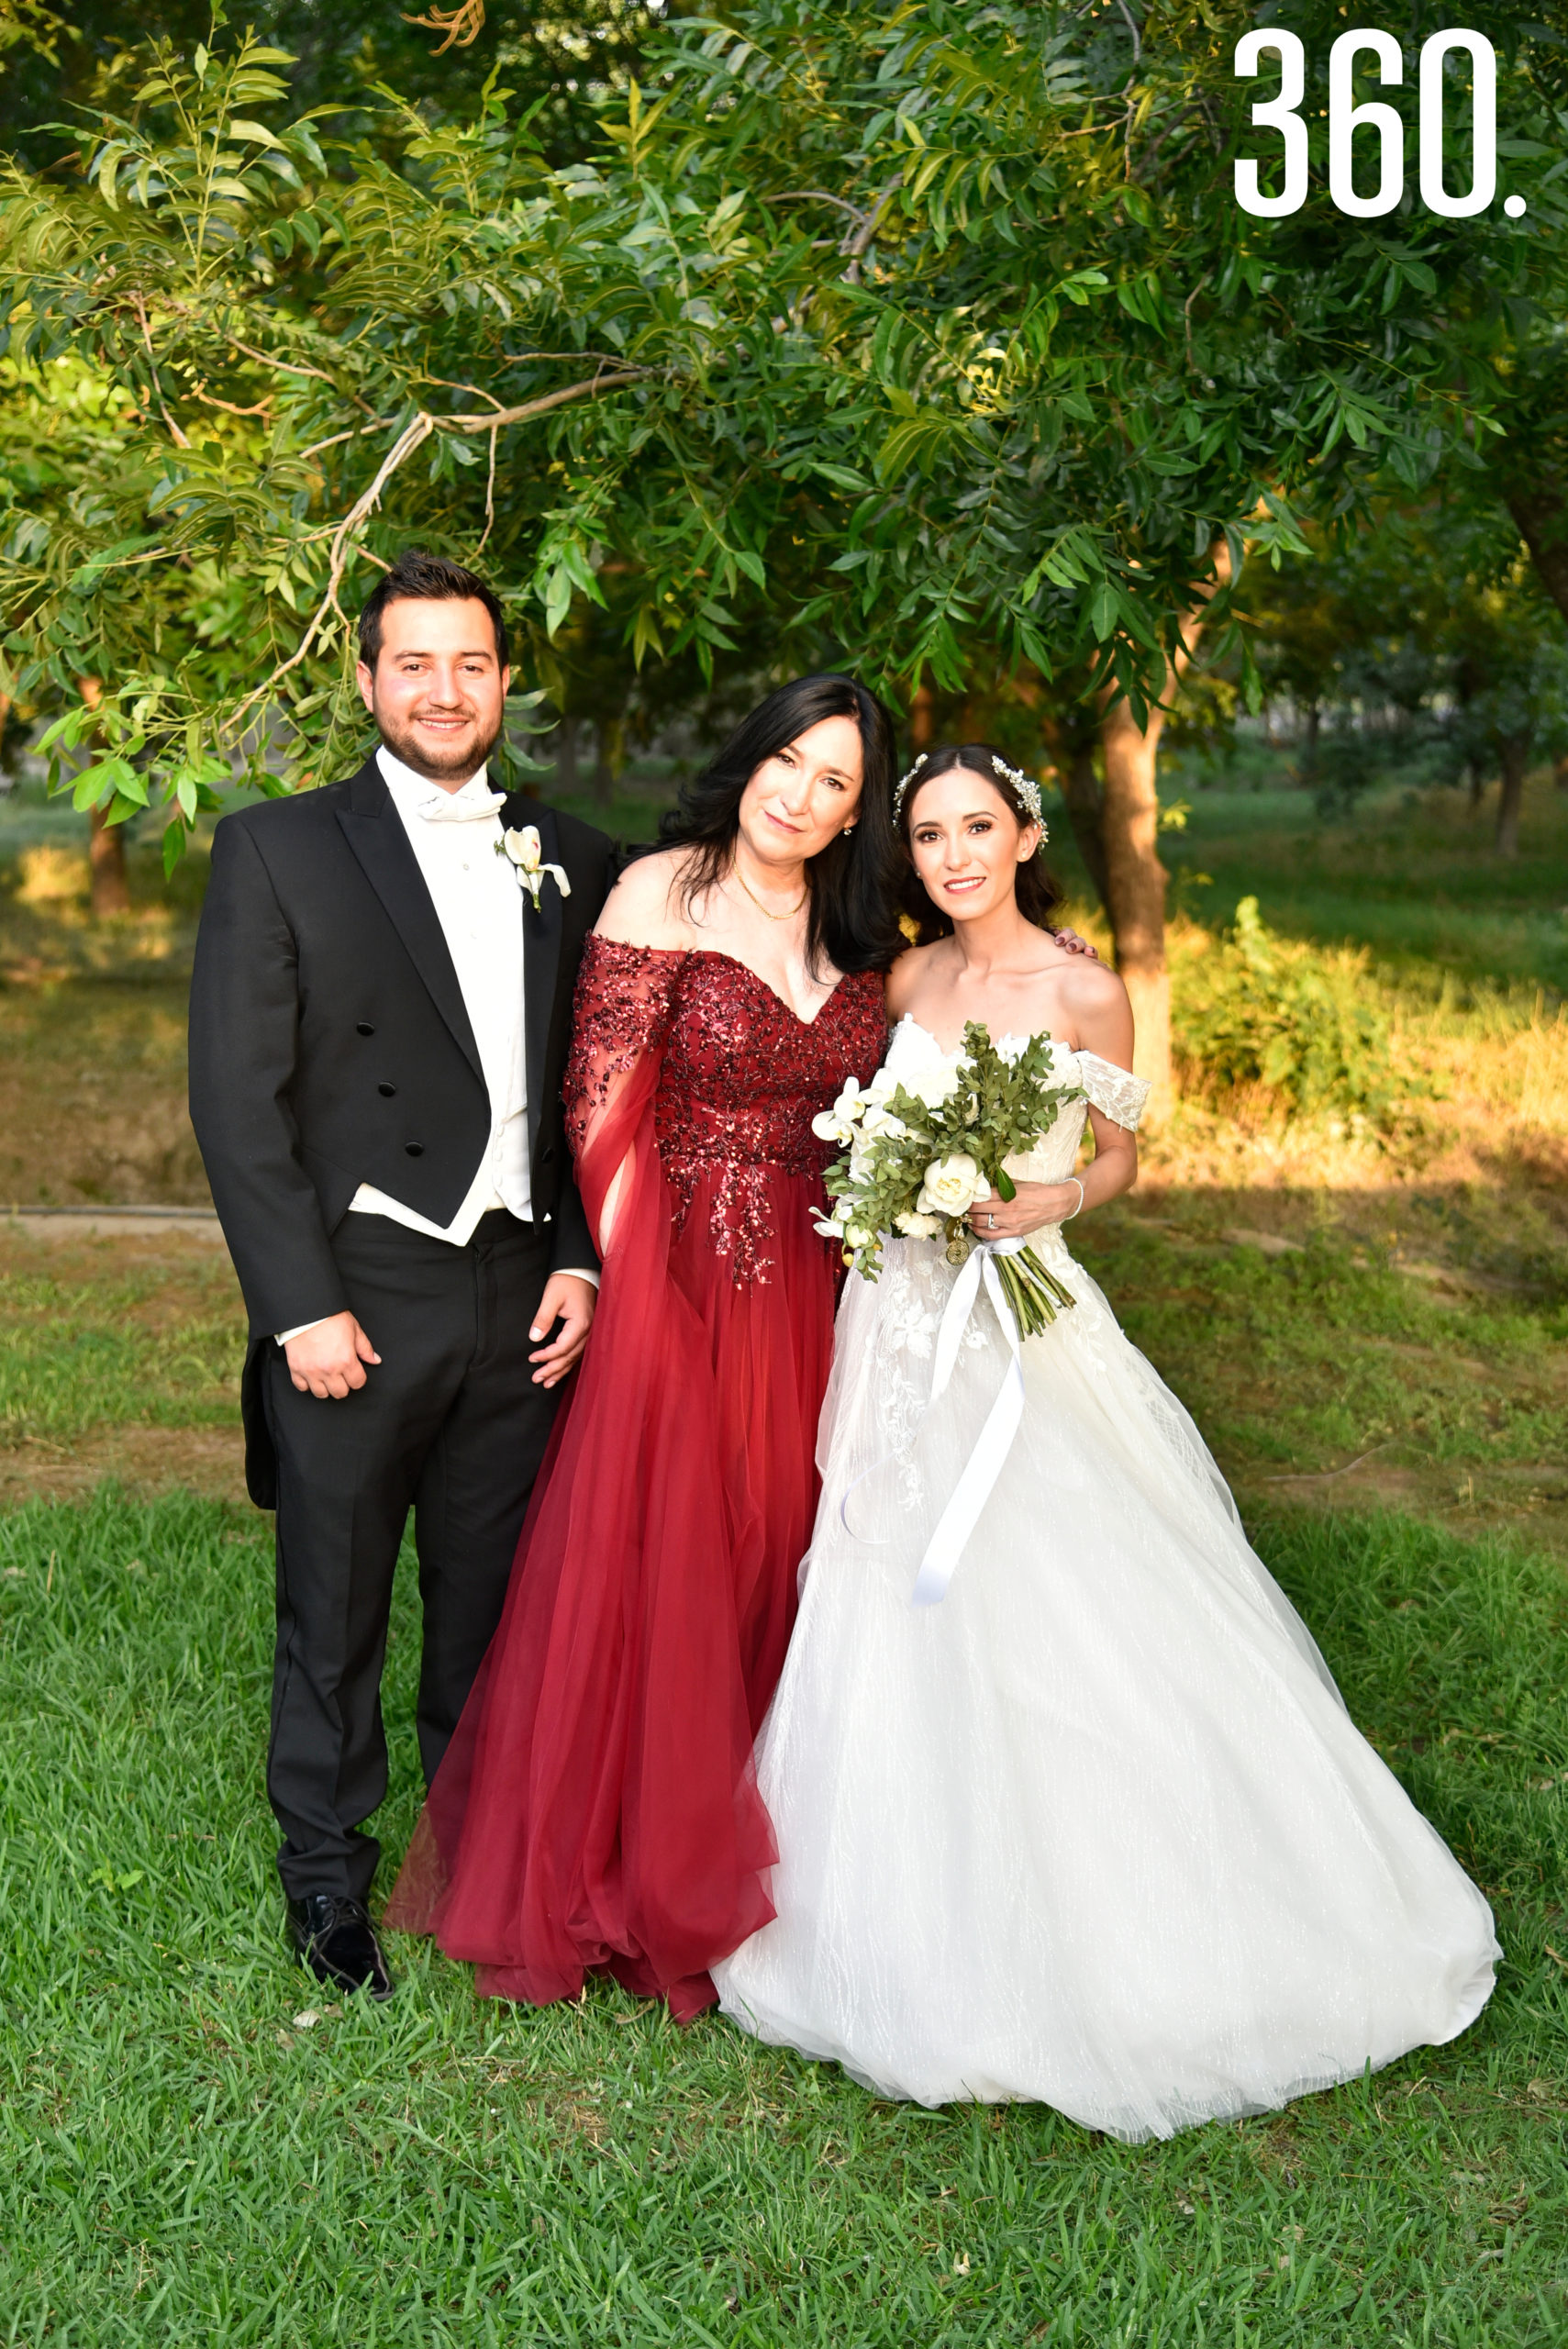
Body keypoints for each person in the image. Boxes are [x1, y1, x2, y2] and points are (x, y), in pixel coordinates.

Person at [713, 741, 1498, 2137]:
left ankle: (1138, 1919)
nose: (955, 855)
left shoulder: (1087, 988)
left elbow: (1122, 1151)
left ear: (1022, 836)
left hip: (1024, 1326)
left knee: (1061, 1584)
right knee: (885, 1576)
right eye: (929, 836)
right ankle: (892, 1911)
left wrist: (1050, 1192)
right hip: (897, 1318)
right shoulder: (906, 981)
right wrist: (898, 1188)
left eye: (978, 828)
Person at [384, 674, 903, 2017]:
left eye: (834, 780)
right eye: (786, 761)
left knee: (790, 1538)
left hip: (825, 1278)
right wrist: (631, 1286)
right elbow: (600, 1107)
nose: (799, 794)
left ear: (859, 810)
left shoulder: (861, 928)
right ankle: (644, 1863)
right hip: (678, 1269)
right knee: (677, 1544)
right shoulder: (660, 891)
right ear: (748, 760)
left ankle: (782, 1845)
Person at [188, 551, 617, 2003]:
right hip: (358, 1285)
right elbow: (239, 1103)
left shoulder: (576, 855)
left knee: (494, 1600)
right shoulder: (278, 848)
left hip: (519, 1287)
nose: (446, 690)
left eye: (473, 664)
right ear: (368, 681)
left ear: (506, 682)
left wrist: (579, 1254)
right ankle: (327, 1883)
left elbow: (597, 1094)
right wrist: (298, 1304)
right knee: (337, 1600)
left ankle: (479, 1861)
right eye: (415, 664)